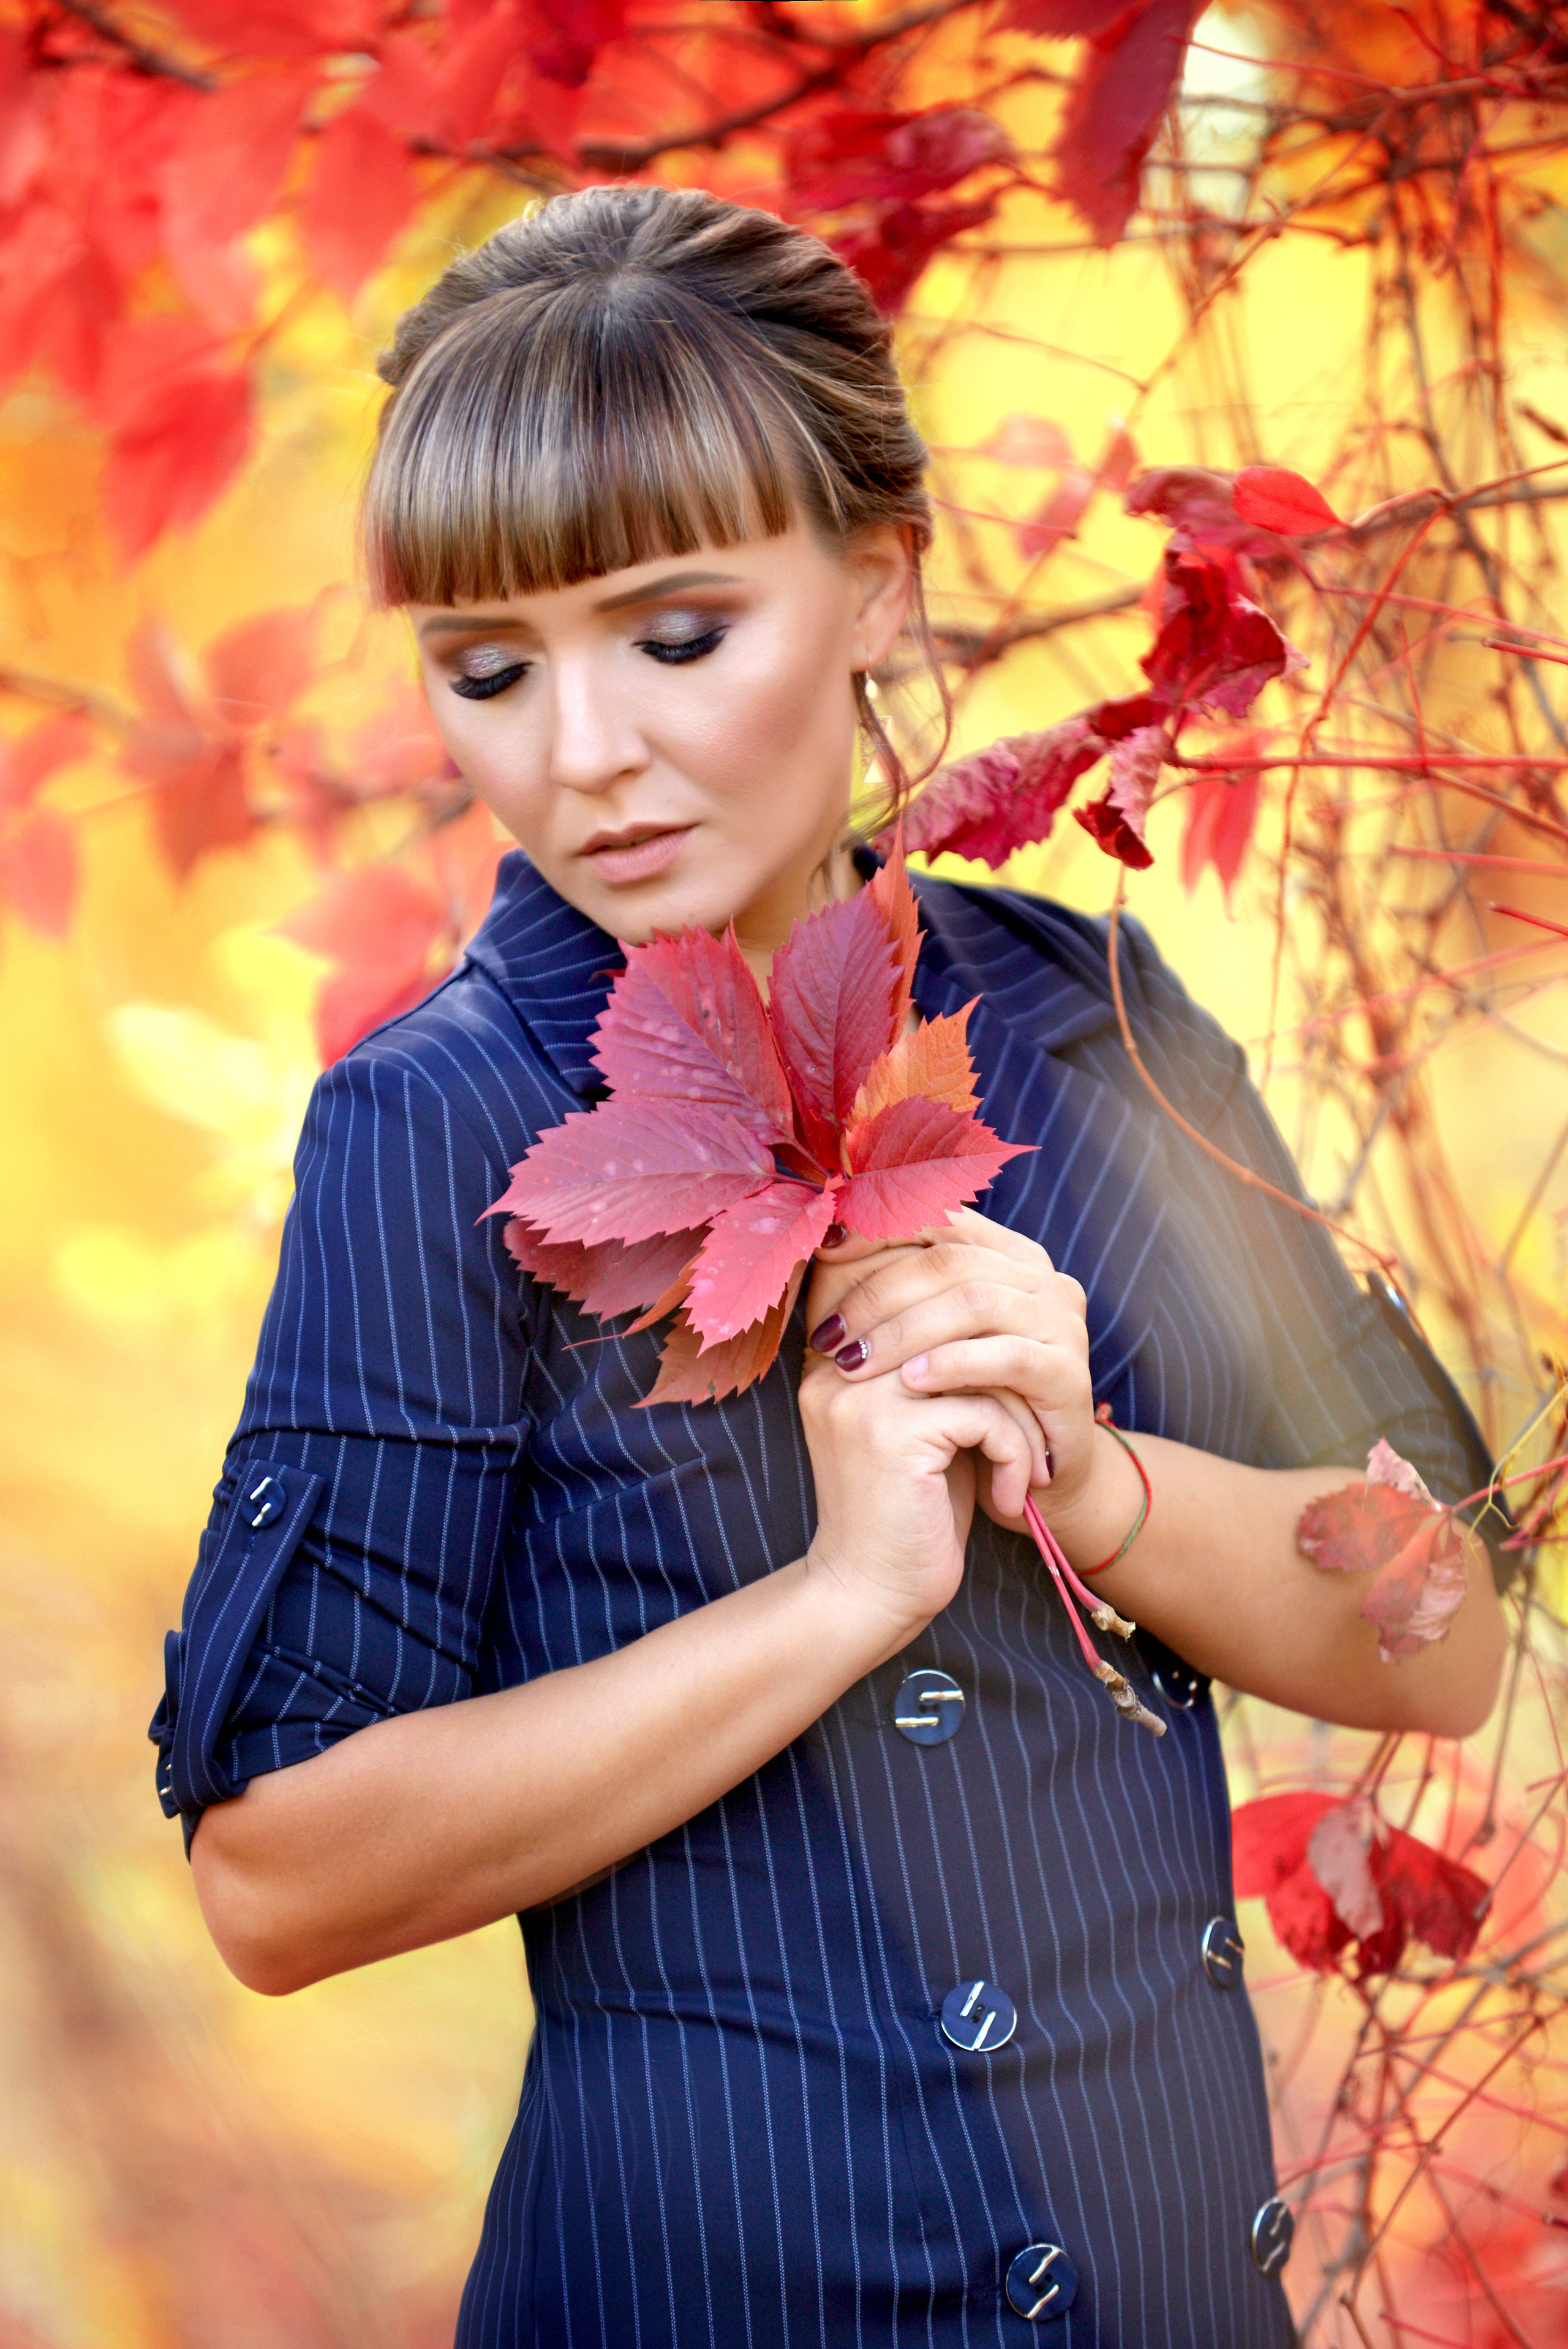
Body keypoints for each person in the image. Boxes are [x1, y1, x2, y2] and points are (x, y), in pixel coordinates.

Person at [151, 186, 1509, 2348]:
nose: (579, 753)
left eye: (675, 635)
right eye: (487, 669)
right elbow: (276, 1871)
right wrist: (839, 1598)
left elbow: (1442, 1637)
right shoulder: (440, 1127)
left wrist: (1092, 1478)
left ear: (880, 582)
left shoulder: (1088, 1024)